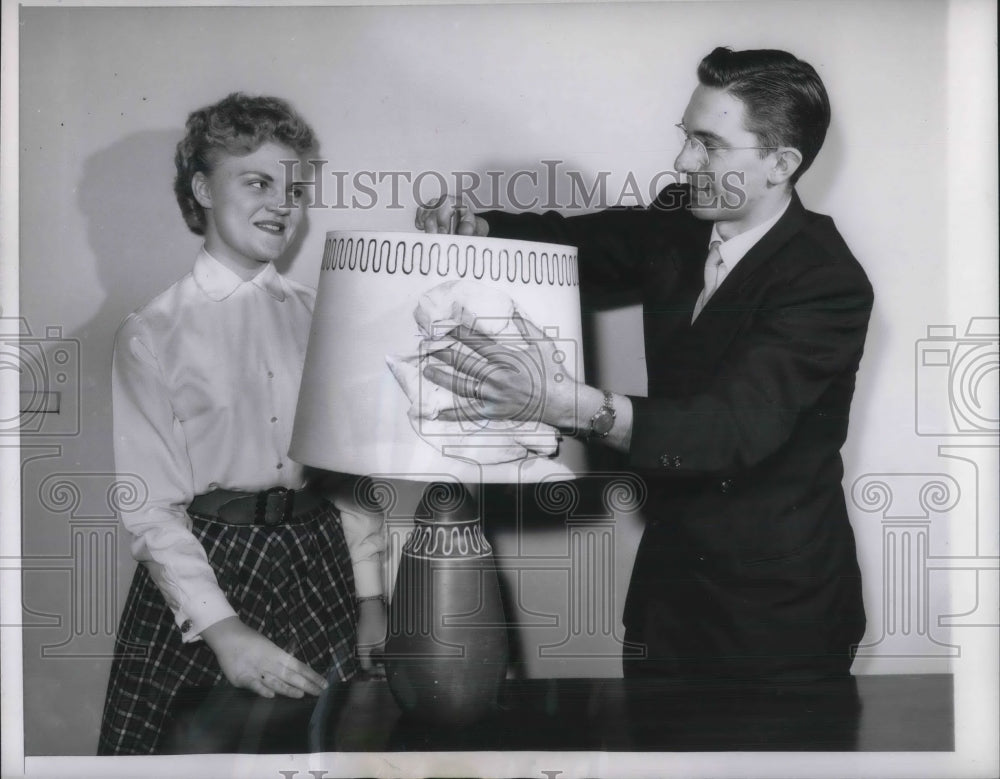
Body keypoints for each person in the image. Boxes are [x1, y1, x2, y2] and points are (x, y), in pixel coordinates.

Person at [416, 47, 872, 682]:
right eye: (686, 138)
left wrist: (560, 403)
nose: (683, 162)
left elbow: (728, 430)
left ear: (780, 163)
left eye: (709, 145)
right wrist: (484, 228)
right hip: (668, 598)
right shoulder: (682, 216)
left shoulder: (827, 282)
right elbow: (585, 245)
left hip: (779, 618)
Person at [99, 93, 386, 755]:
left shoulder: (323, 314)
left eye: (295, 188)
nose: (283, 204)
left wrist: (371, 596)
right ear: (202, 188)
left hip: (322, 566)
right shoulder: (153, 331)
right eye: (257, 181)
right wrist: (223, 631)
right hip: (213, 573)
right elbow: (150, 509)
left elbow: (346, 473)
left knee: (328, 753)